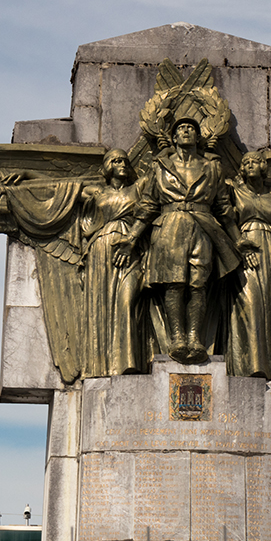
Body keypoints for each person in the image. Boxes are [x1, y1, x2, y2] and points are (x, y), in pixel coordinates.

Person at [113, 119, 246, 364]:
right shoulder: (160, 166)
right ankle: (177, 338)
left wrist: (238, 240)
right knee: (173, 283)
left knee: (198, 284)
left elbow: (224, 207)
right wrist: (131, 238)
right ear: (174, 138)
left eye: (191, 128)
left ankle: (195, 337)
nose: (186, 131)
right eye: (181, 129)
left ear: (198, 137)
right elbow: (148, 204)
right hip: (169, 226)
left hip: (203, 226)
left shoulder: (212, 167)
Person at [79, 149, 145, 376]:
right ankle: (102, 364)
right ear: (108, 167)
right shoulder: (97, 192)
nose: (122, 164)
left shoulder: (137, 189)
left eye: (125, 161)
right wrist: (27, 174)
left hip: (129, 247)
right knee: (101, 303)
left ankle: (128, 362)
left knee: (127, 301)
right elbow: (61, 189)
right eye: (116, 161)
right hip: (100, 249)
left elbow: (160, 169)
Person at [226, 151, 271, 381]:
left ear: (263, 166)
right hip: (246, 246)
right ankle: (251, 365)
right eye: (246, 162)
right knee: (250, 301)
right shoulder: (234, 191)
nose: (250, 165)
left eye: (255, 161)